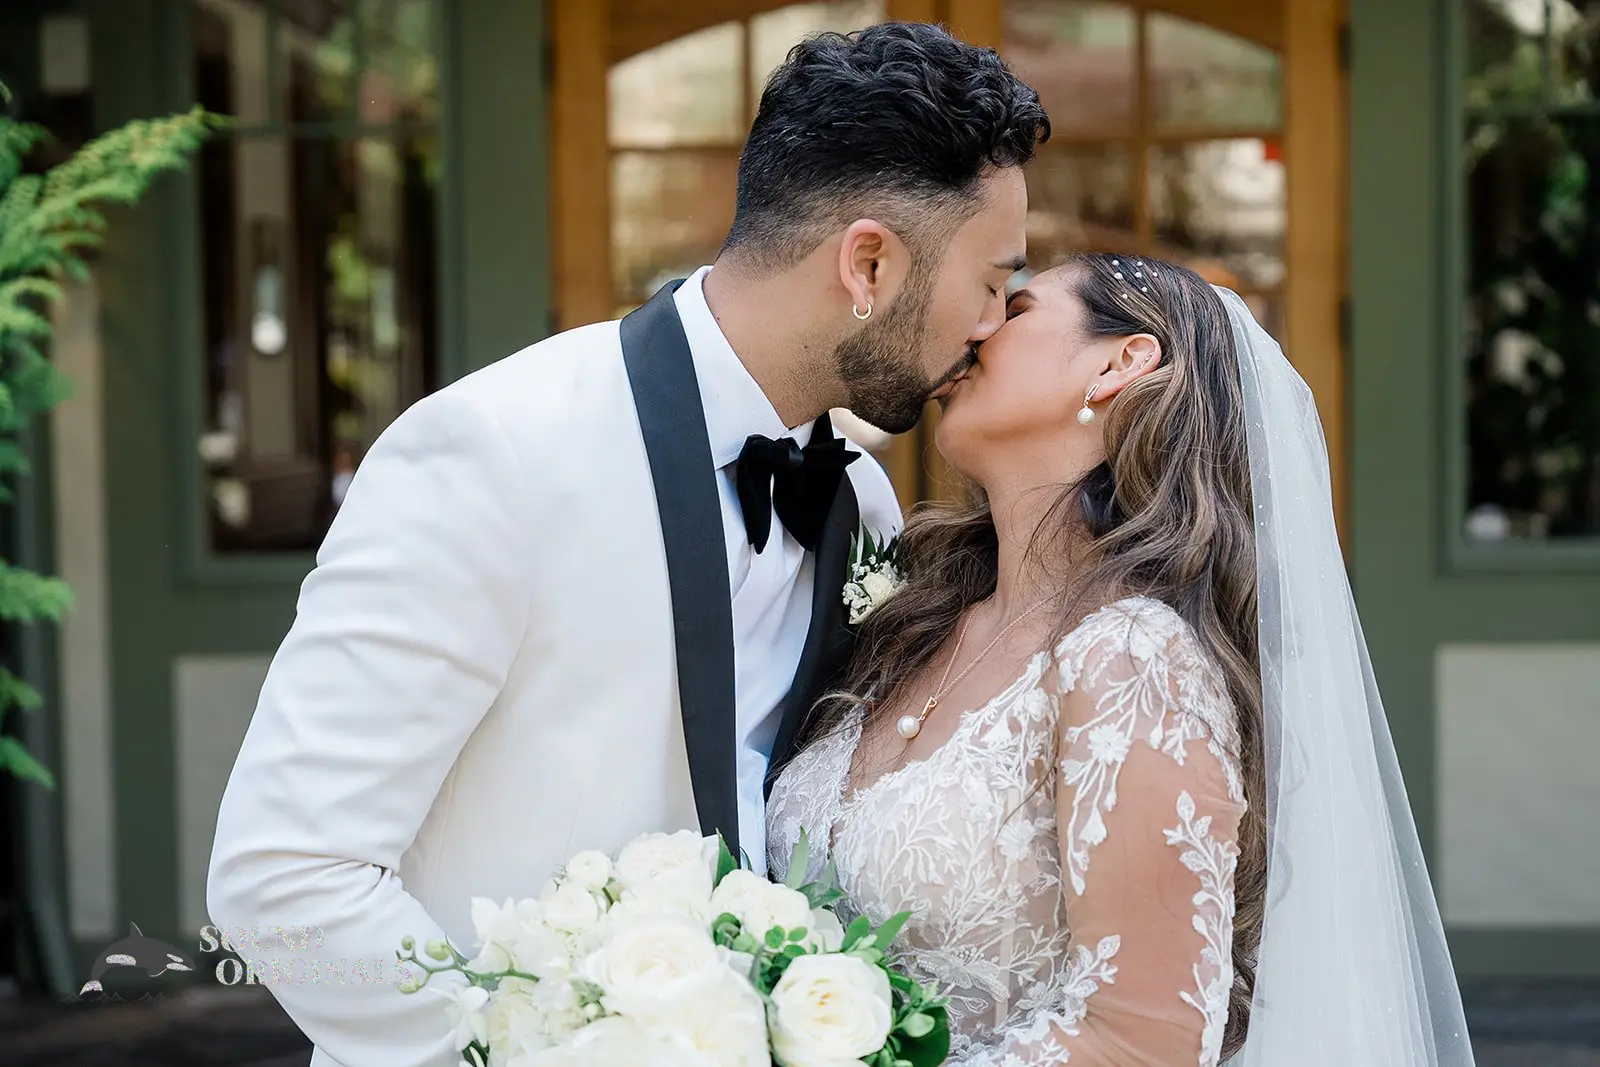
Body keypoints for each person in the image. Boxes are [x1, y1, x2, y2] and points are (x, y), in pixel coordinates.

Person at [204, 21, 1048, 1067]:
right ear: (867, 262)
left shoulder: (861, 505)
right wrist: (506, 1046)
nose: (995, 323)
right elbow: (280, 882)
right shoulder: (495, 453)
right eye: (993, 281)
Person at [768, 252, 1477, 1066]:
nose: (978, 327)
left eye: (1017, 308)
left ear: (1120, 363)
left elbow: (1142, 1041)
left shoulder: (1135, 658)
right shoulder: (916, 621)